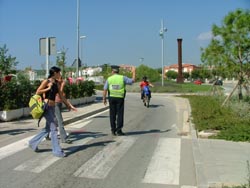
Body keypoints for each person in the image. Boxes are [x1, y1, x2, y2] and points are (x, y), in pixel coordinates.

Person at [29, 66, 77, 157]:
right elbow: (38, 91)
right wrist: (48, 88)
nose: (60, 74)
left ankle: (32, 142)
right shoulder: (46, 81)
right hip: (46, 107)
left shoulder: (56, 83)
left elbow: (62, 96)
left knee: (48, 128)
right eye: (59, 72)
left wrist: (69, 105)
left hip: (52, 107)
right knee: (54, 129)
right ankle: (57, 151)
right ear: (55, 73)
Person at [103, 65, 135, 136]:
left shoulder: (109, 79)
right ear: (118, 71)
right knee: (120, 114)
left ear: (112, 71)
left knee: (112, 114)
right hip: (120, 98)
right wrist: (133, 72)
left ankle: (113, 130)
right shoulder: (123, 78)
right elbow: (132, 81)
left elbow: (105, 89)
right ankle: (119, 130)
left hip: (111, 98)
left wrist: (104, 99)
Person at [54, 75, 72, 143]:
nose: (61, 79)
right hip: (55, 104)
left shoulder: (59, 84)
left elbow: (63, 96)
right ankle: (64, 138)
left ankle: (46, 135)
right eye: (60, 78)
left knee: (54, 121)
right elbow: (60, 94)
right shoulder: (56, 85)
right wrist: (62, 85)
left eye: (62, 78)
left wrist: (68, 105)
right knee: (60, 121)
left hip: (58, 103)